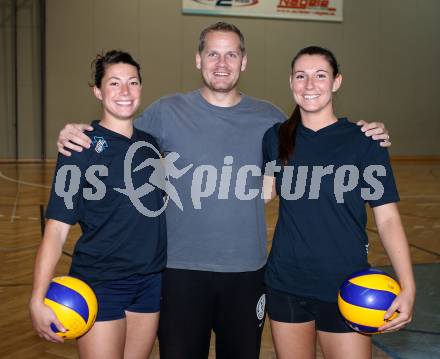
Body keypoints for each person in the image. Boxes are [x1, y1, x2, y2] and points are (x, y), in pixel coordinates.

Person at [55, 23, 391, 359]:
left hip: (247, 273)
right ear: (198, 59)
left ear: (243, 62)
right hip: (180, 271)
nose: (221, 62)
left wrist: (366, 130)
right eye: (212, 53)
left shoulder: (271, 120)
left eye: (231, 54)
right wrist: (78, 130)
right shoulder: (166, 112)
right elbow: (117, 129)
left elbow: (321, 133)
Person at [262, 46, 415, 359]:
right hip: (286, 282)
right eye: (301, 76)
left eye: (320, 76)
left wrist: (408, 287)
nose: (309, 85)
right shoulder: (275, 137)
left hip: (349, 286)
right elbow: (261, 194)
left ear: (336, 82)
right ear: (291, 81)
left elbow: (387, 219)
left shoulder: (364, 140)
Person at [29, 50, 166, 359]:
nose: (125, 92)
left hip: (149, 282)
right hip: (100, 283)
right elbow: (56, 231)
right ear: (98, 90)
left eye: (132, 82)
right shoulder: (80, 146)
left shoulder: (150, 145)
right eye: (114, 83)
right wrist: (37, 299)